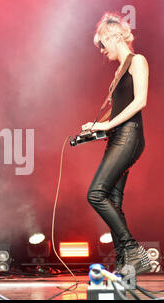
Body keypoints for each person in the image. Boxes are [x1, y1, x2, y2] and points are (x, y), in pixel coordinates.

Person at [82, 13, 151, 275]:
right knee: (112, 199)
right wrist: (96, 126)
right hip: (117, 137)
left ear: (113, 36)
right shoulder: (118, 71)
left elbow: (140, 101)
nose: (102, 50)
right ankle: (125, 262)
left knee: (96, 194)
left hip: (129, 136)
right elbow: (119, 108)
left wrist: (107, 126)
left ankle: (133, 251)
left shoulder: (137, 61)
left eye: (102, 44)